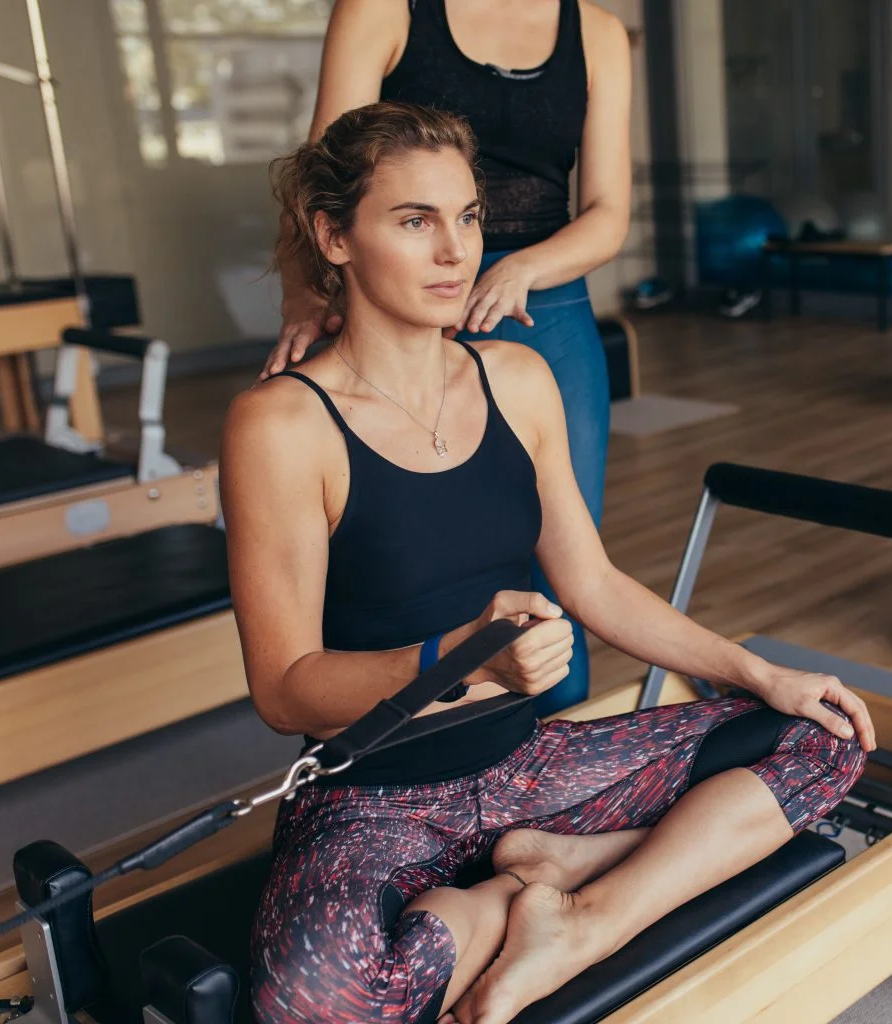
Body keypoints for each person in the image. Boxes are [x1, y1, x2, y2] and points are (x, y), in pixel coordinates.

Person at [221, 103, 872, 1024]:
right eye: (415, 222)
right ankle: (507, 902)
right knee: (314, 1003)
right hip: (377, 798)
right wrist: (462, 660)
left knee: (823, 736)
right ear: (335, 236)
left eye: (469, 217)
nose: (456, 252)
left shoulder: (516, 379)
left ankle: (583, 914)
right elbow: (284, 690)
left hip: (531, 771)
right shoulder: (282, 426)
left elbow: (593, 581)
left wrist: (759, 672)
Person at [260, 0, 633, 713]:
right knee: (403, 565)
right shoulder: (381, 9)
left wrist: (521, 267)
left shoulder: (600, 34)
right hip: (395, 283)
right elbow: (321, 177)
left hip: (541, 299)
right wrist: (305, 302)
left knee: (562, 571)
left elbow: (609, 211)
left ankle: (543, 750)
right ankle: (424, 757)